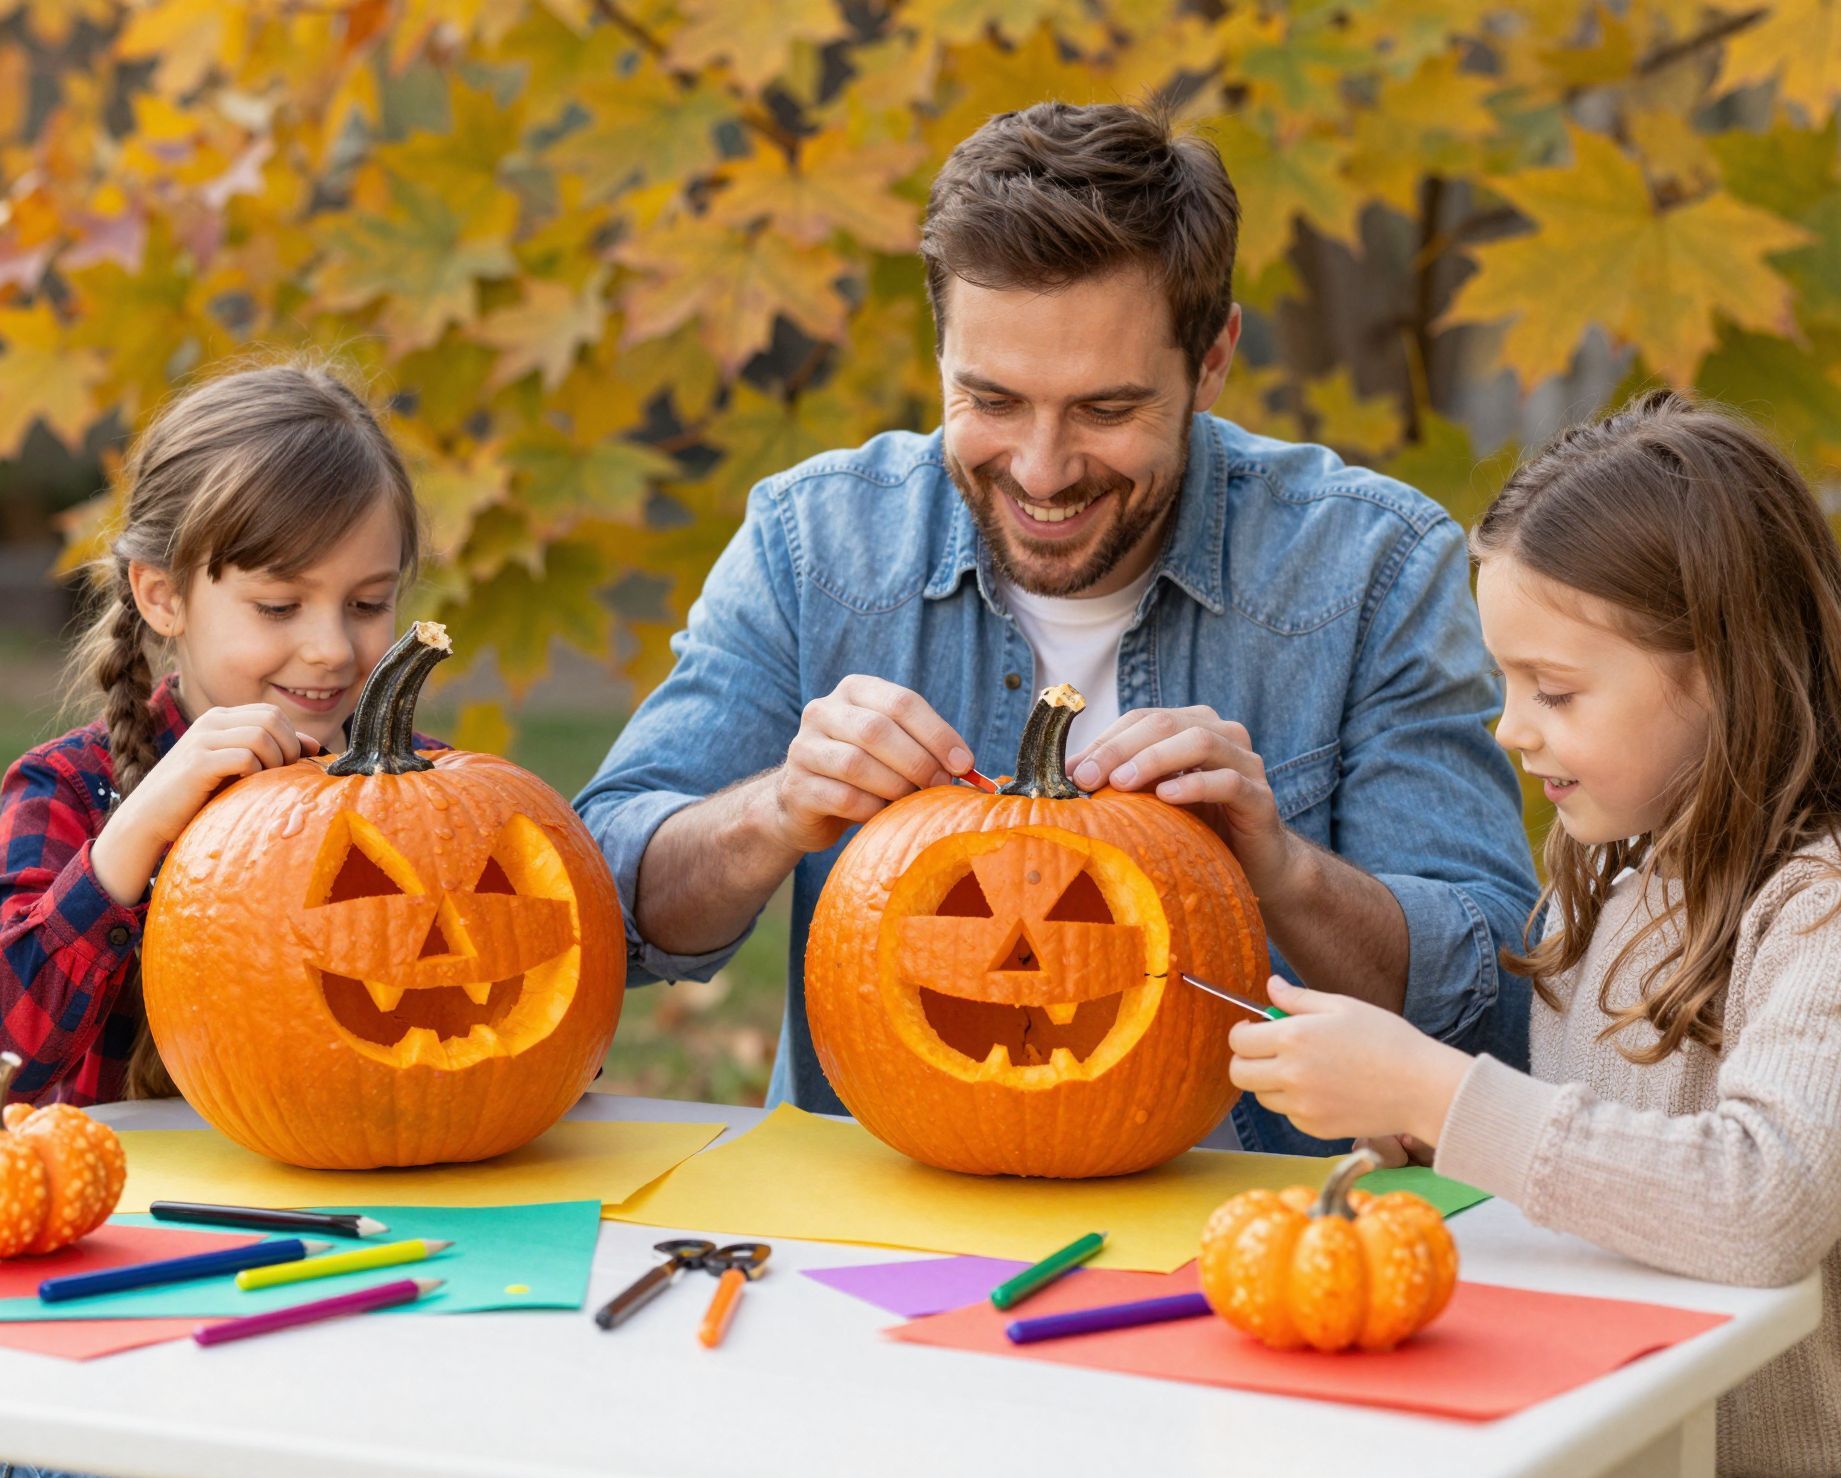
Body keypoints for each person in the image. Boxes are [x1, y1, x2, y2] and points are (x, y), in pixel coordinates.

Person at [576, 99, 1539, 1155]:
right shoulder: (817, 543)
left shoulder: (1373, 568)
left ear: (1210, 359)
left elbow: (1493, 1009)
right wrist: (772, 811)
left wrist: (1284, 870)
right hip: (880, 1222)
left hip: (1250, 1229)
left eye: (1105, 411)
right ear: (940, 349)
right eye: (990, 399)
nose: (1039, 470)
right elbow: (591, 911)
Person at [1227, 391, 1841, 1478]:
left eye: (1556, 690)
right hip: (1602, 1438)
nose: (1510, 729)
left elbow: (1755, 1205)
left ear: (1724, 667)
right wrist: (1427, 1128)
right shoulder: (1616, 873)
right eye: (1506, 683)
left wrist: (1444, 1089)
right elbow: (1607, 1163)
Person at [0, 362, 479, 1478]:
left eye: (370, 601)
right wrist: (136, 835)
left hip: (339, 1274)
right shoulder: (78, 793)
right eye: (280, 608)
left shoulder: (431, 801)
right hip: (98, 1299)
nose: (332, 650)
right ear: (163, 594)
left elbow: (500, 1042)